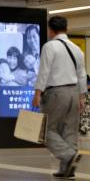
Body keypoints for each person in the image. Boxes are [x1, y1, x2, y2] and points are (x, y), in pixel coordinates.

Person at [33, 16, 88, 179]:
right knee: (69, 131)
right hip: (74, 92)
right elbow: (82, 75)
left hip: (56, 93)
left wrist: (37, 93)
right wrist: (82, 96)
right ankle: (67, 170)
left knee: (45, 130)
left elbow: (44, 71)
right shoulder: (76, 49)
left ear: (50, 29)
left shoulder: (49, 47)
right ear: (66, 28)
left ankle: (68, 155)